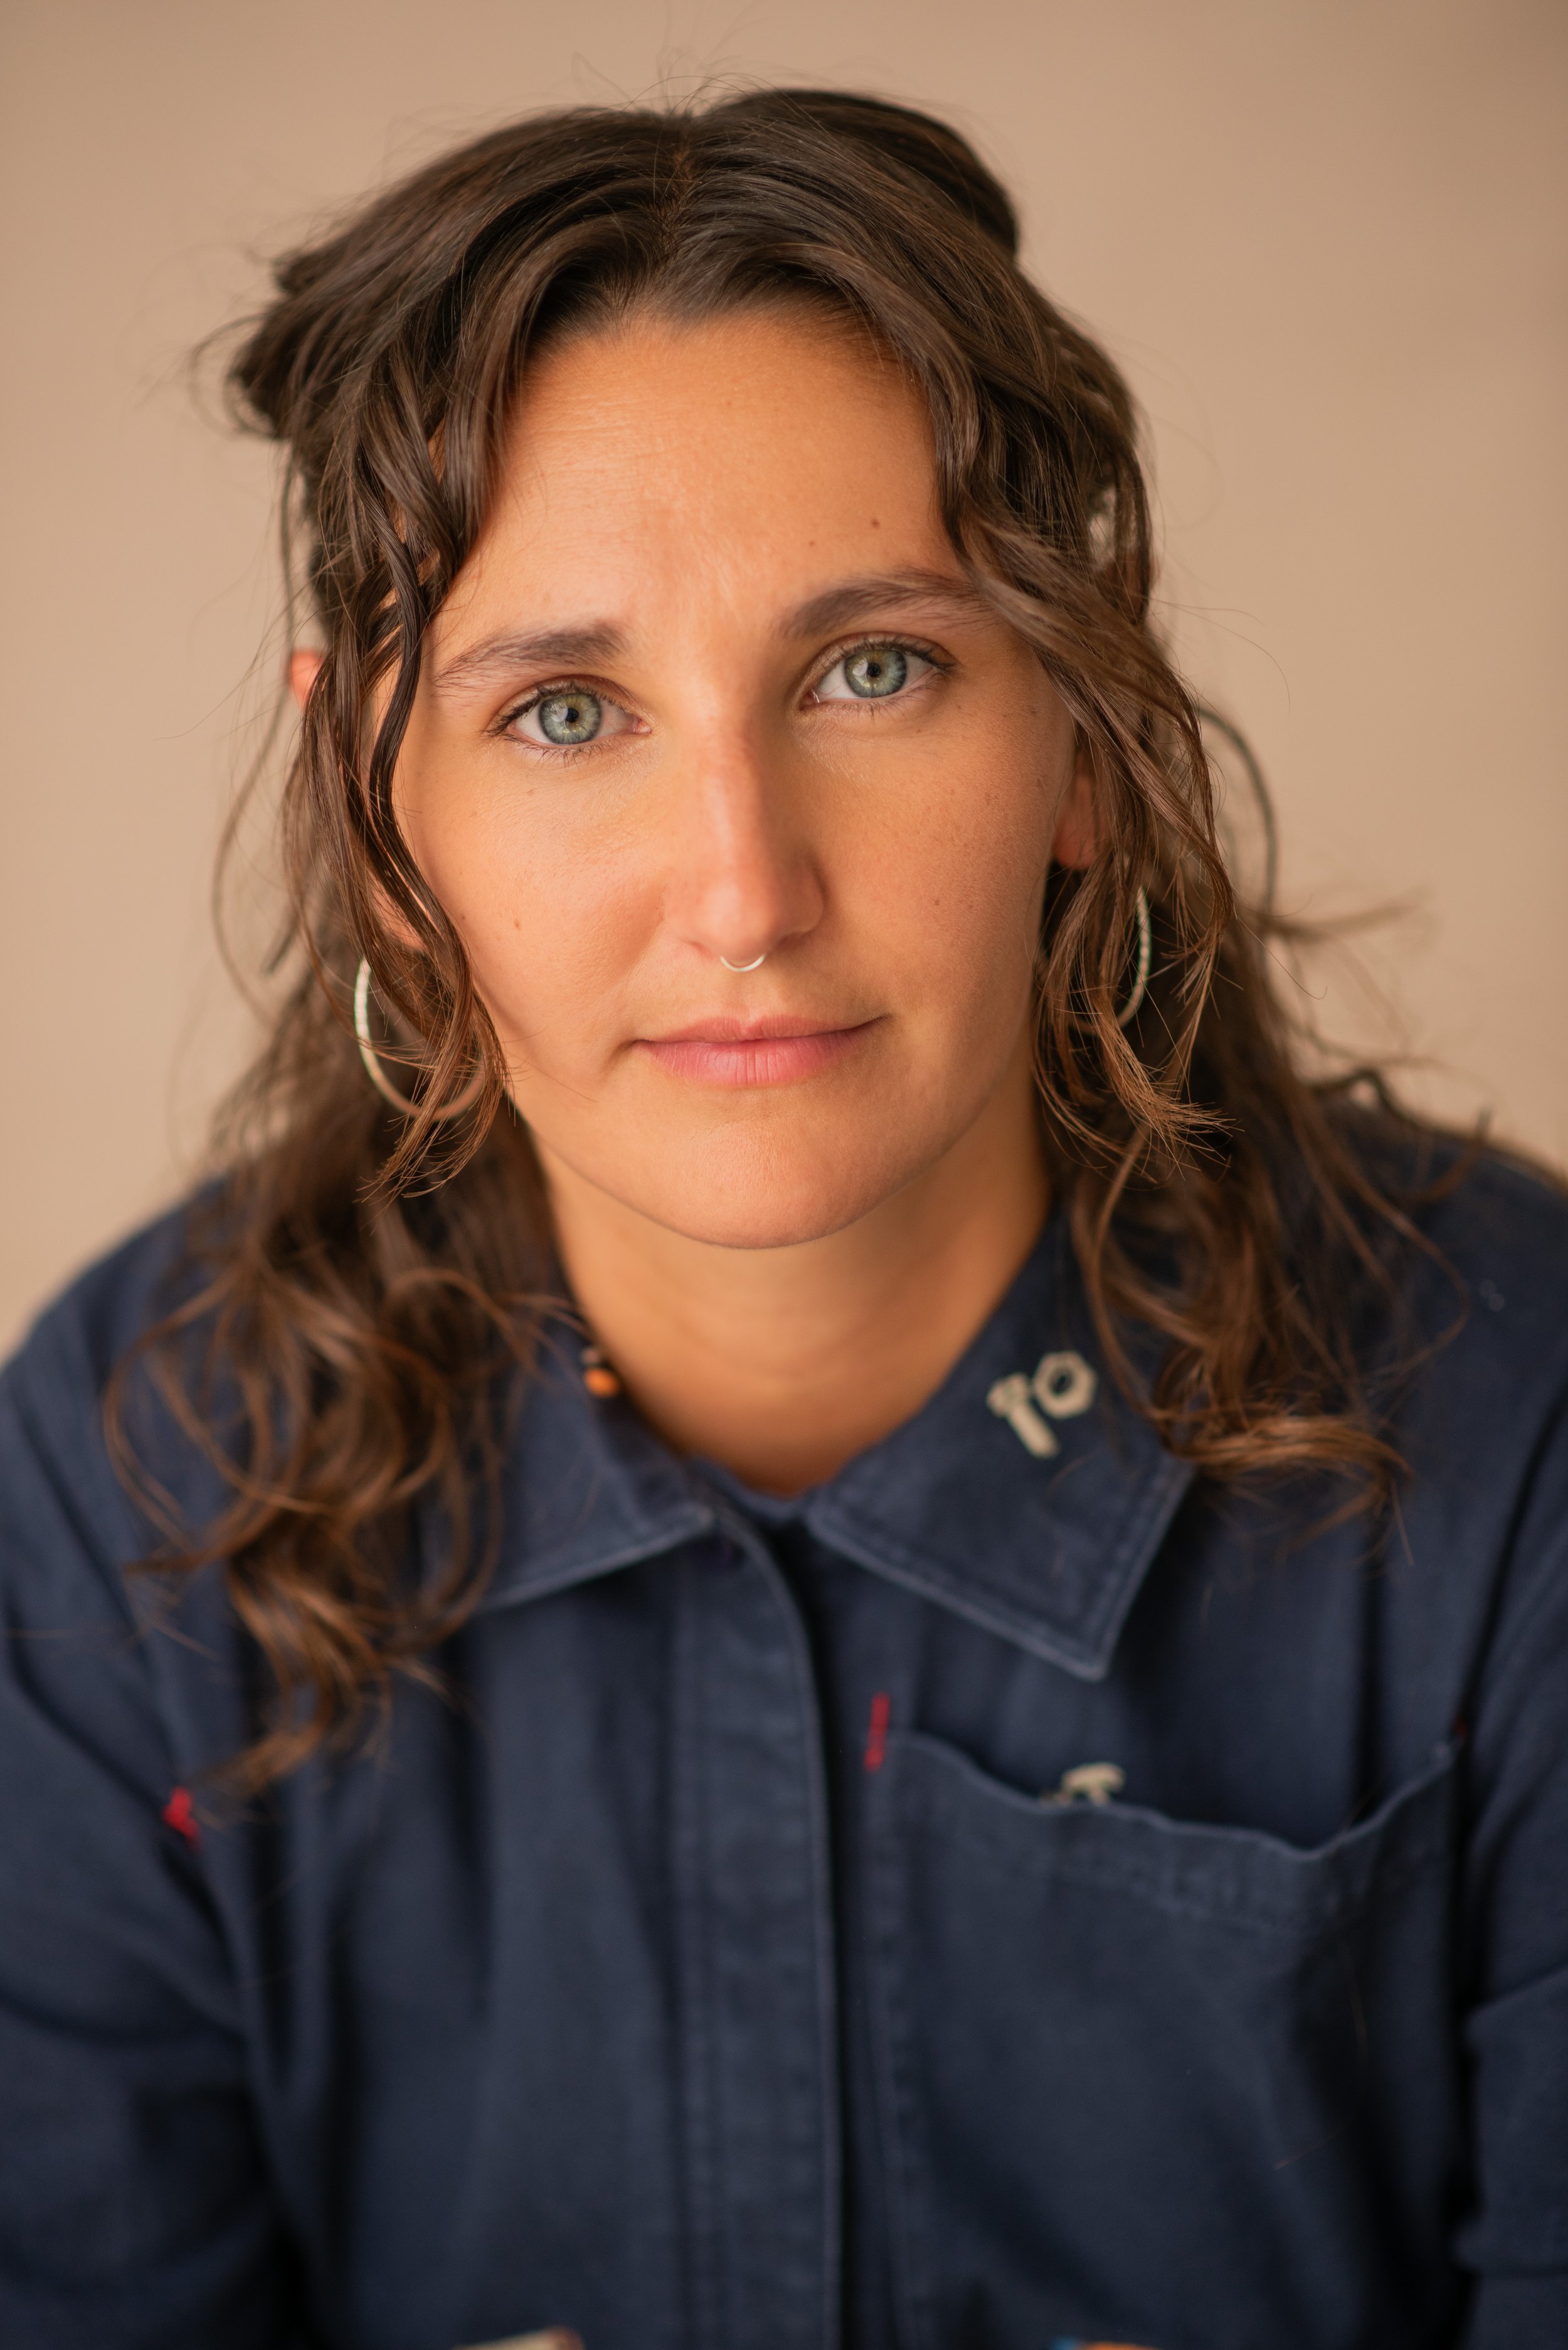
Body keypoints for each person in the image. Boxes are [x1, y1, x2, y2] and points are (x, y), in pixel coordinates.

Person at [1, 87, 1564, 2350]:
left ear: (1085, 731)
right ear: (371, 810)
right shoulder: (122, 1487)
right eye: (561, 709)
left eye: (872, 669)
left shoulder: (1512, 1430)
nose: (744, 888)